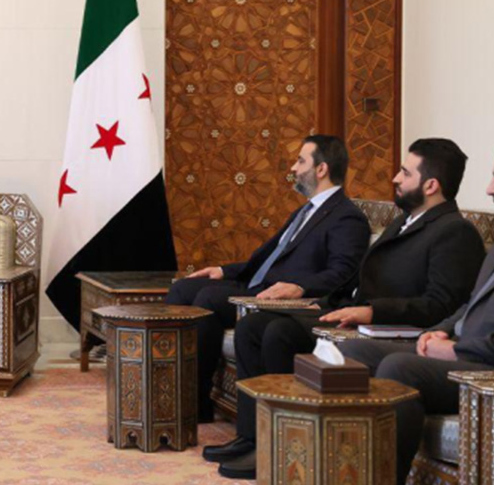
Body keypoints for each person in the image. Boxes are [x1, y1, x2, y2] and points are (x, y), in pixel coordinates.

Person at [210, 138, 486, 479]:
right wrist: (318, 300)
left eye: (404, 172)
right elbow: (359, 277)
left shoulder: (455, 232)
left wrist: (372, 312)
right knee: (254, 327)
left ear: (430, 185)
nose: (395, 179)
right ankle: (253, 438)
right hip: (347, 309)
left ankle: (285, 448)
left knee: (279, 333)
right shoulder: (404, 220)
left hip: (382, 324)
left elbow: (441, 304)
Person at [166, 135, 370, 421]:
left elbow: (344, 273)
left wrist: (300, 287)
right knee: (182, 289)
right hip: (256, 284)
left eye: (300, 161)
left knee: (208, 299)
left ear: (321, 169)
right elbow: (270, 258)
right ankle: (180, 395)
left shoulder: (347, 217)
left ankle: (194, 405)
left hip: (278, 297)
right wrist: (224, 271)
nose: (293, 168)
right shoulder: (306, 211)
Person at [338, 160, 494, 485]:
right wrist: (441, 330)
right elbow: (471, 303)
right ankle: (343, 472)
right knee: (353, 352)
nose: (489, 189)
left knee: (400, 368)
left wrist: (455, 350)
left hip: (483, 366)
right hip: (463, 350)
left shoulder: (455, 231)